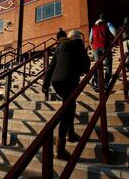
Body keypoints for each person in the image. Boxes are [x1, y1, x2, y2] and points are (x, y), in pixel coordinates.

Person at [42, 30, 90, 160]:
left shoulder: (59, 46)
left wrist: (45, 84)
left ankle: (71, 133)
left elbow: (51, 67)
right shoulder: (78, 45)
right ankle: (60, 149)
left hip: (56, 82)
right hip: (70, 80)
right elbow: (86, 67)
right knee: (67, 110)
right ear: (78, 38)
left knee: (69, 105)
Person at [90, 13, 114, 91]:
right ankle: (106, 82)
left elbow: (90, 40)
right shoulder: (108, 24)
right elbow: (115, 33)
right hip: (105, 46)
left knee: (98, 65)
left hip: (96, 47)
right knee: (108, 65)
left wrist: (93, 48)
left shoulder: (93, 27)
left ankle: (98, 83)